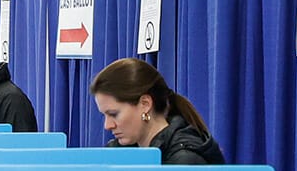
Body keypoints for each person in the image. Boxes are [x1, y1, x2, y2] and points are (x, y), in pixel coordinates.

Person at [90, 58, 224, 164]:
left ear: (145, 104)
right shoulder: (116, 155)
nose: (107, 125)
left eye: (114, 114)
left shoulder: (185, 160)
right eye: (104, 115)